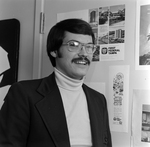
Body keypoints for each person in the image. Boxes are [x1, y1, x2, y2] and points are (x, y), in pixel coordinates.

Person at [0, 18, 112, 147]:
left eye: (89, 47)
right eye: (74, 45)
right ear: (54, 51)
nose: (84, 53)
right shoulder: (24, 93)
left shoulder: (99, 100)